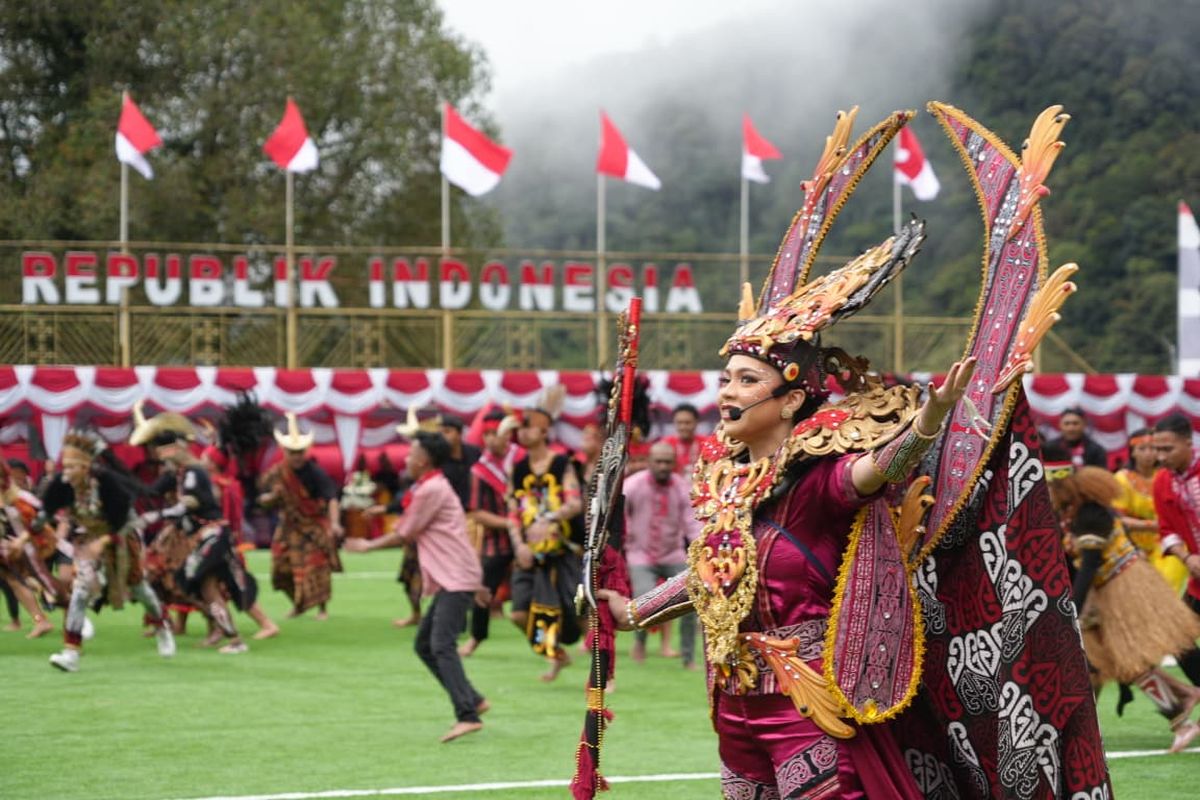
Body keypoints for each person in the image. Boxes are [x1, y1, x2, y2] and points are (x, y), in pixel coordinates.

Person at [1042, 442, 1200, 753]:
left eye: (1047, 488)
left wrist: (1073, 610)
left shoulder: (1089, 513)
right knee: (1098, 663)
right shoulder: (1068, 511)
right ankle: (1178, 702)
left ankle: (1180, 714)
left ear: (1059, 484)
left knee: (1126, 661)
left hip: (1123, 587)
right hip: (1103, 589)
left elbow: (1088, 568)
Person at [345, 432, 490, 743]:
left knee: (440, 645)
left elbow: (405, 532)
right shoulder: (428, 486)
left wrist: (367, 546)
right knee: (424, 645)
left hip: (456, 577)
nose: (406, 460)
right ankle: (473, 698)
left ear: (424, 461)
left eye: (410, 455)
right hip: (452, 576)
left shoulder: (431, 489)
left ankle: (467, 714)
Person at [44, 430, 175, 672]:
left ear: (86, 466)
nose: (67, 471)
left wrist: (102, 542)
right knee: (80, 592)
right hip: (90, 541)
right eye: (66, 465)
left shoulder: (108, 484)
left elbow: (125, 522)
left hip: (123, 538)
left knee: (140, 589)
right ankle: (71, 654)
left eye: (73, 466)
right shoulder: (63, 484)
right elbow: (46, 510)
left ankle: (162, 627)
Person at [507, 390, 584, 682]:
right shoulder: (517, 469)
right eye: (521, 428)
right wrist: (518, 546)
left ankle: (602, 671)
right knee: (517, 614)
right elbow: (513, 511)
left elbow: (574, 503)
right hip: (530, 551)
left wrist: (548, 518)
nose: (522, 432)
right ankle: (555, 655)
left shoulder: (562, 464)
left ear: (543, 430)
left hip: (561, 549)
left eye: (527, 426)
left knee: (574, 612)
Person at [622, 441, 699, 668]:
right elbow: (620, 518)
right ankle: (639, 642)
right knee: (644, 601)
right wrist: (626, 543)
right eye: (658, 462)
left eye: (667, 462)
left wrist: (698, 549)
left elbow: (693, 523)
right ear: (649, 462)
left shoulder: (682, 487)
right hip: (641, 555)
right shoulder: (632, 485)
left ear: (674, 463)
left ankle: (688, 657)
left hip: (673, 554)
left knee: (692, 598)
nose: (663, 466)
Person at [259, 413, 343, 620]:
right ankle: (298, 604)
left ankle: (322, 609)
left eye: (300, 452)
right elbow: (262, 499)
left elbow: (331, 497)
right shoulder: (277, 472)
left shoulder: (315, 472)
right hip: (288, 526)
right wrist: (272, 496)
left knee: (316, 566)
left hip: (312, 525)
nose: (296, 456)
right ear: (284, 451)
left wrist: (335, 524)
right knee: (280, 567)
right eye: (292, 452)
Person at [459, 409, 515, 657]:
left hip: (537, 538)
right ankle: (476, 637)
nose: (493, 439)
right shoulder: (479, 471)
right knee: (482, 588)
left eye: (498, 433)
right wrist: (509, 524)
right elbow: (475, 512)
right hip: (499, 540)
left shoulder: (524, 459)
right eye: (488, 434)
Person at [1152, 412, 1200, 687]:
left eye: (1167, 449)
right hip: (1197, 580)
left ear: (1188, 443)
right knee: (1175, 636)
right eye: (1158, 449)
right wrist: (1187, 557)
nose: (1161, 456)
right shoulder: (1162, 481)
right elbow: (1166, 530)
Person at [1114, 428, 1187, 593]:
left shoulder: (1168, 476)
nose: (1148, 453)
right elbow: (1119, 520)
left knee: (1170, 582)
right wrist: (1155, 525)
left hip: (1164, 542)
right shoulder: (1121, 479)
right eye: (1142, 449)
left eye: (1153, 448)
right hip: (1131, 544)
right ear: (1132, 452)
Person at [661, 403, 706, 476]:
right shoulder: (665, 444)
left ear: (696, 422)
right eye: (679, 423)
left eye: (687, 423)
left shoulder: (705, 443)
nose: (683, 427)